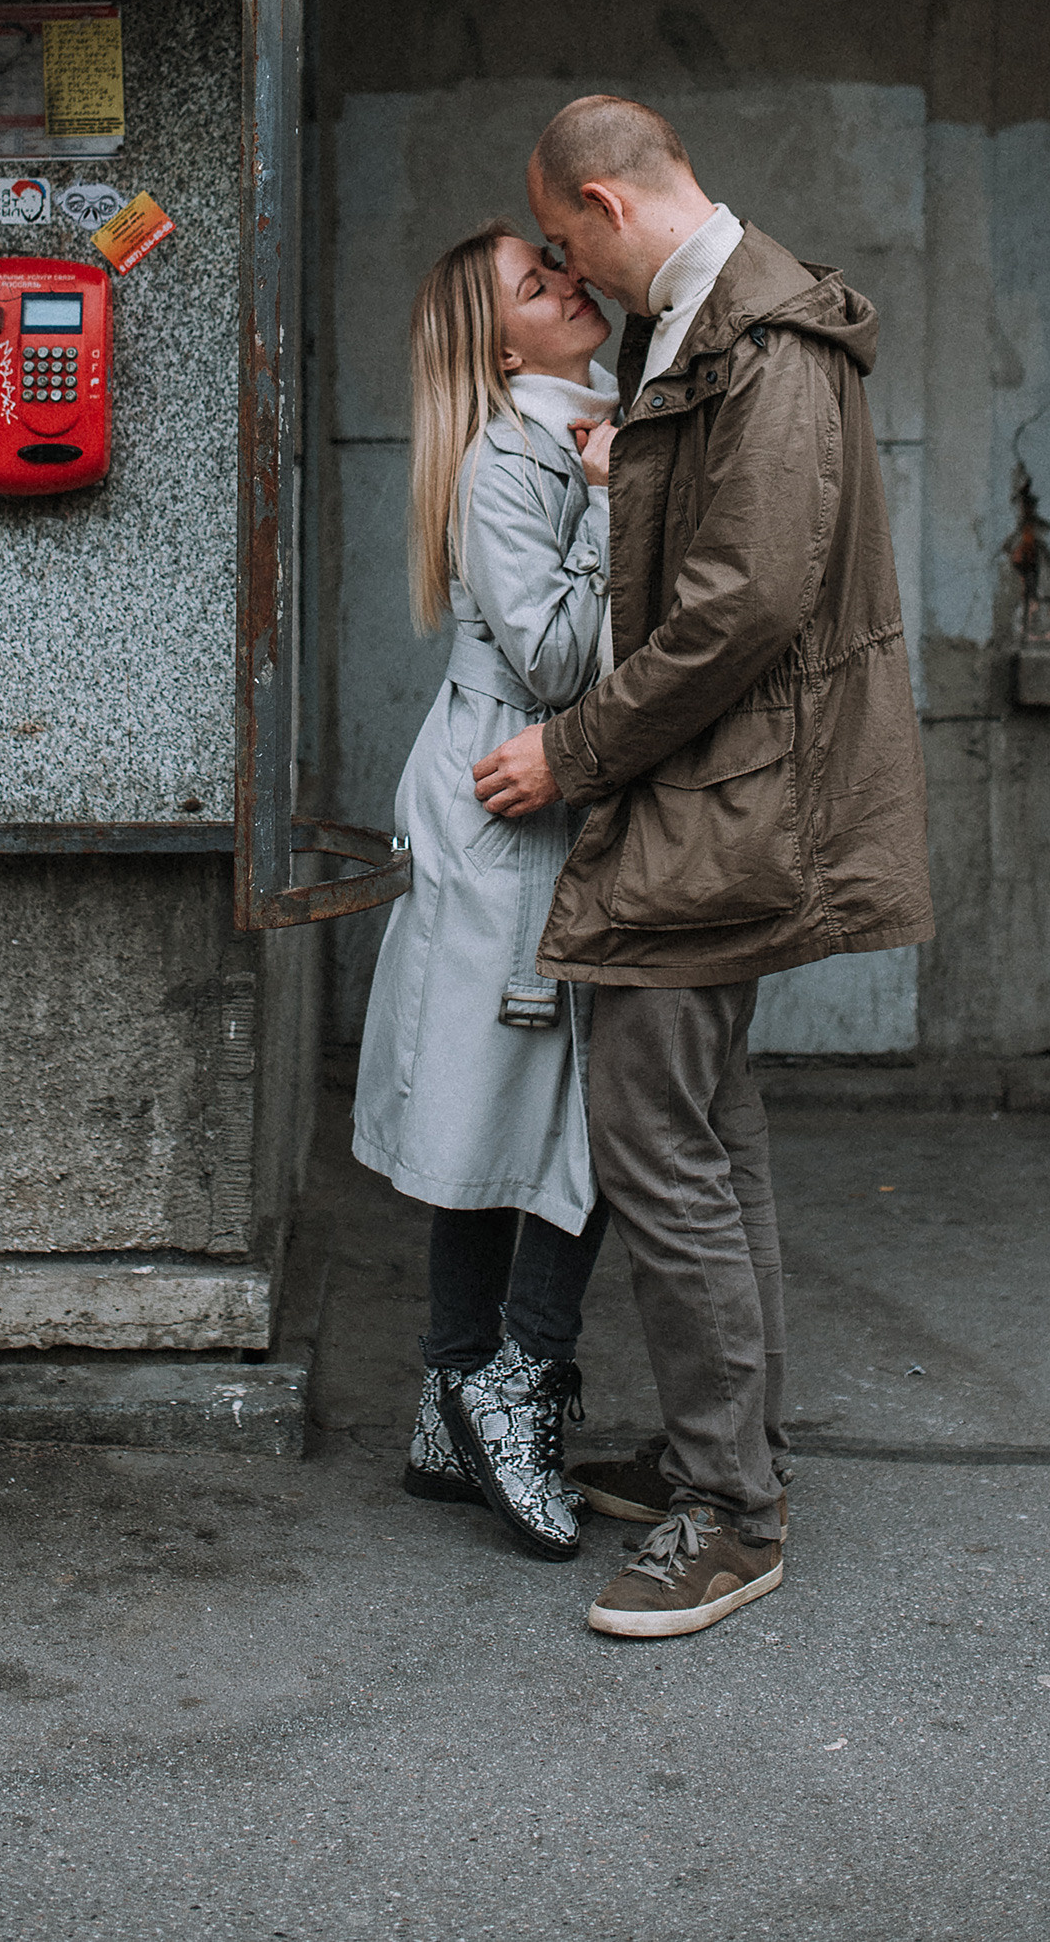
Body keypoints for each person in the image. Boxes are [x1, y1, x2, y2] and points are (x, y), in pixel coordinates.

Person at [475, 96, 932, 1640]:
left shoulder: (760, 342)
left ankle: (729, 1514)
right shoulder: (709, 331)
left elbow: (739, 609)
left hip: (711, 810)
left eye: (560, 241)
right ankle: (720, 1458)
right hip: (713, 801)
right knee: (708, 1143)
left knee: (659, 1154)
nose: (566, 272)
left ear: (602, 202)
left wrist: (572, 752)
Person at [353, 223, 620, 1559]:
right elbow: (566, 659)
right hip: (512, 810)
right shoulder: (515, 463)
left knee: (511, 1109)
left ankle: (454, 1393)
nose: (575, 287)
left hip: (533, 803)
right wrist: (621, 502)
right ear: (498, 343)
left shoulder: (556, 434)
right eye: (539, 284)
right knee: (559, 1113)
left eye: (565, 266)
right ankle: (507, 1382)